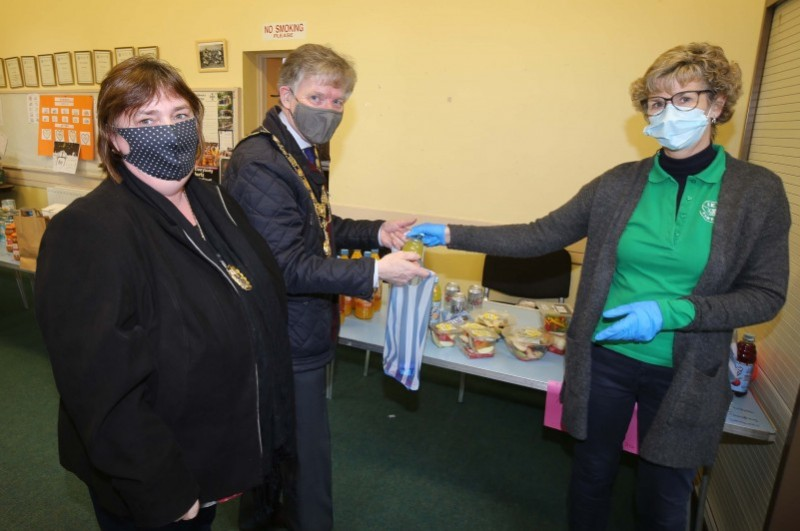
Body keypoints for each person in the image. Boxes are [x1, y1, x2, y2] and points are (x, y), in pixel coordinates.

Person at [409, 42, 790, 531]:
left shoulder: (756, 192)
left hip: (688, 369)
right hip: (605, 357)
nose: (667, 112)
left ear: (717, 106)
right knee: (591, 475)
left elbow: (765, 293)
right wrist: (450, 233)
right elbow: (539, 234)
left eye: (684, 100)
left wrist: (671, 313)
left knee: (663, 494)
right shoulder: (619, 183)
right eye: (656, 102)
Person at [35, 56, 296, 530]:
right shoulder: (90, 232)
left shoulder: (214, 199)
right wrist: (163, 490)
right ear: (114, 138)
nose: (171, 131)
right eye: (147, 120)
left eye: (180, 116)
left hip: (214, 452)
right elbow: (100, 388)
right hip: (159, 480)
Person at [223, 43, 428, 530]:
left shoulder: (297, 149)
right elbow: (288, 265)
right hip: (282, 335)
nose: (331, 111)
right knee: (302, 457)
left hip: (299, 327)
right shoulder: (260, 161)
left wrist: (374, 232)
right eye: (320, 97)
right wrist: (375, 272)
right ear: (287, 94)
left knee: (283, 449)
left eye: (339, 102)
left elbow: (315, 225)